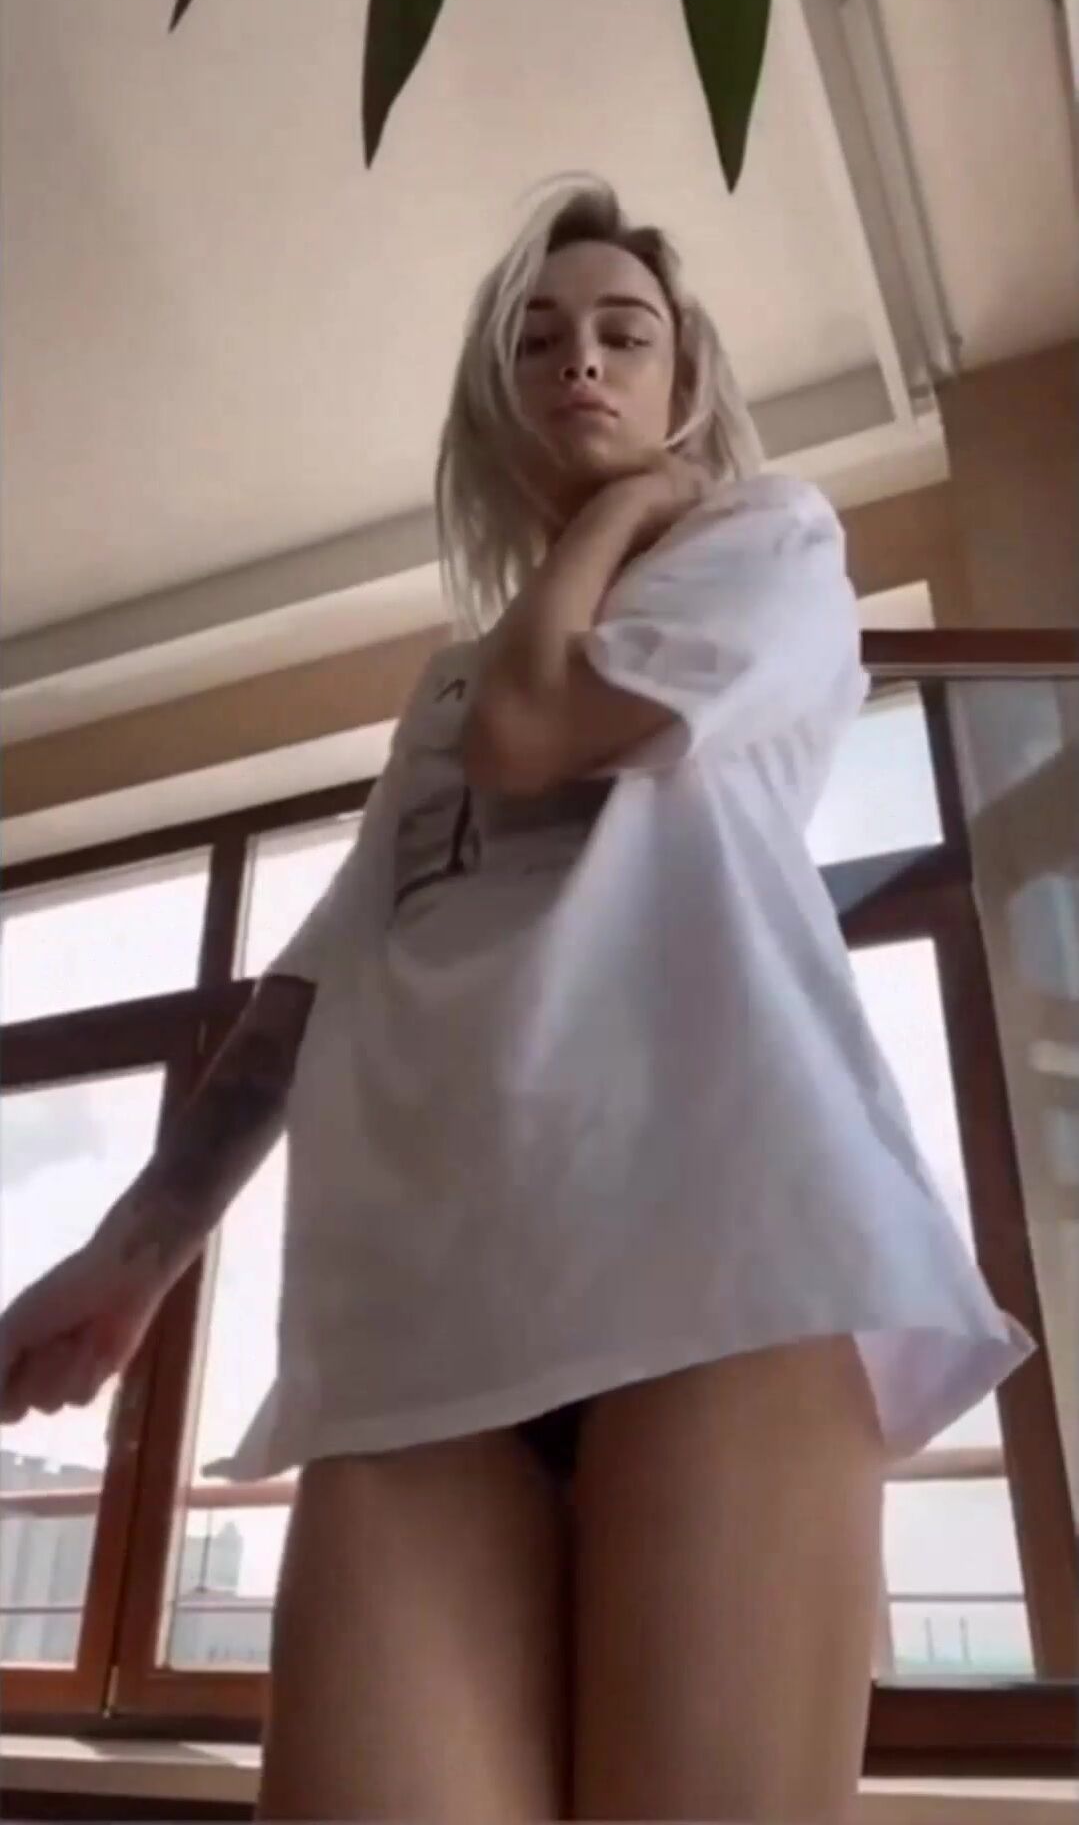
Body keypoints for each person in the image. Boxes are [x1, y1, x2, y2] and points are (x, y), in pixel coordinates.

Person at [0, 179, 1033, 1824]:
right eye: (539, 342)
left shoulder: (769, 546)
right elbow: (312, 988)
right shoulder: (448, 683)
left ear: (685, 381)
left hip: (723, 1268)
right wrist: (133, 1261)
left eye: (626, 334)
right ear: (498, 394)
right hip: (418, 1323)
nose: (581, 363)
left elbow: (536, 734)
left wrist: (627, 517)